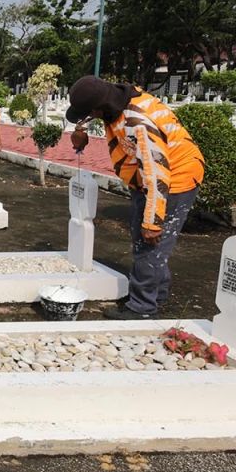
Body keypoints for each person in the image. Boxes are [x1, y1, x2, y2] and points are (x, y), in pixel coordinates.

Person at [65, 75, 205, 320]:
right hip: (146, 177)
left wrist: (152, 221)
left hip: (174, 179)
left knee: (149, 243)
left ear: (100, 108)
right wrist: (80, 135)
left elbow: (157, 175)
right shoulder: (117, 100)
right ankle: (156, 293)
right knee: (145, 241)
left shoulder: (138, 122)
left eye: (89, 113)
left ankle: (142, 308)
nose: (89, 117)